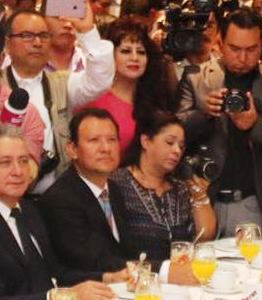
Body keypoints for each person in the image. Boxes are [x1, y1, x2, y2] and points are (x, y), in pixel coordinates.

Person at [177, 8, 262, 238]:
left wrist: (255, 124)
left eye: (251, 49)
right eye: (234, 49)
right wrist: (204, 114)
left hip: (251, 202)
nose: (242, 58)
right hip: (200, 198)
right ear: (219, 42)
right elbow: (173, 136)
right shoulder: (195, 78)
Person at [0, 126, 125, 300]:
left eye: (23, 161)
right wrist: (58, 296)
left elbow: (55, 273)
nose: (18, 171)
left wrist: (108, 278)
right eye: (5, 163)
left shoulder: (29, 212)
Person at [2, 3, 114, 193]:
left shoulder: (62, 83)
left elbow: (100, 81)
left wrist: (87, 31)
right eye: (27, 35)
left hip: (56, 195)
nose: (37, 43)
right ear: (7, 43)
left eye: (44, 36)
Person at [111, 112, 216, 262]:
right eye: (169, 142)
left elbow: (204, 237)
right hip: (137, 272)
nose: (177, 151)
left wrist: (200, 196)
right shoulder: (118, 183)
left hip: (180, 271)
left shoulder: (180, 188)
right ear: (146, 141)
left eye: (181, 146)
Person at [38, 109, 127, 272]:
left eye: (112, 140)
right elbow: (89, 260)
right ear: (72, 149)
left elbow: (125, 250)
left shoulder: (114, 189)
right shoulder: (60, 198)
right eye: (94, 140)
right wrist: (159, 269)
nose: (106, 148)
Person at [85, 17, 174, 156]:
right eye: (126, 51)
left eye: (141, 52)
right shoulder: (94, 100)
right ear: (110, 56)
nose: (134, 58)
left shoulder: (155, 98)